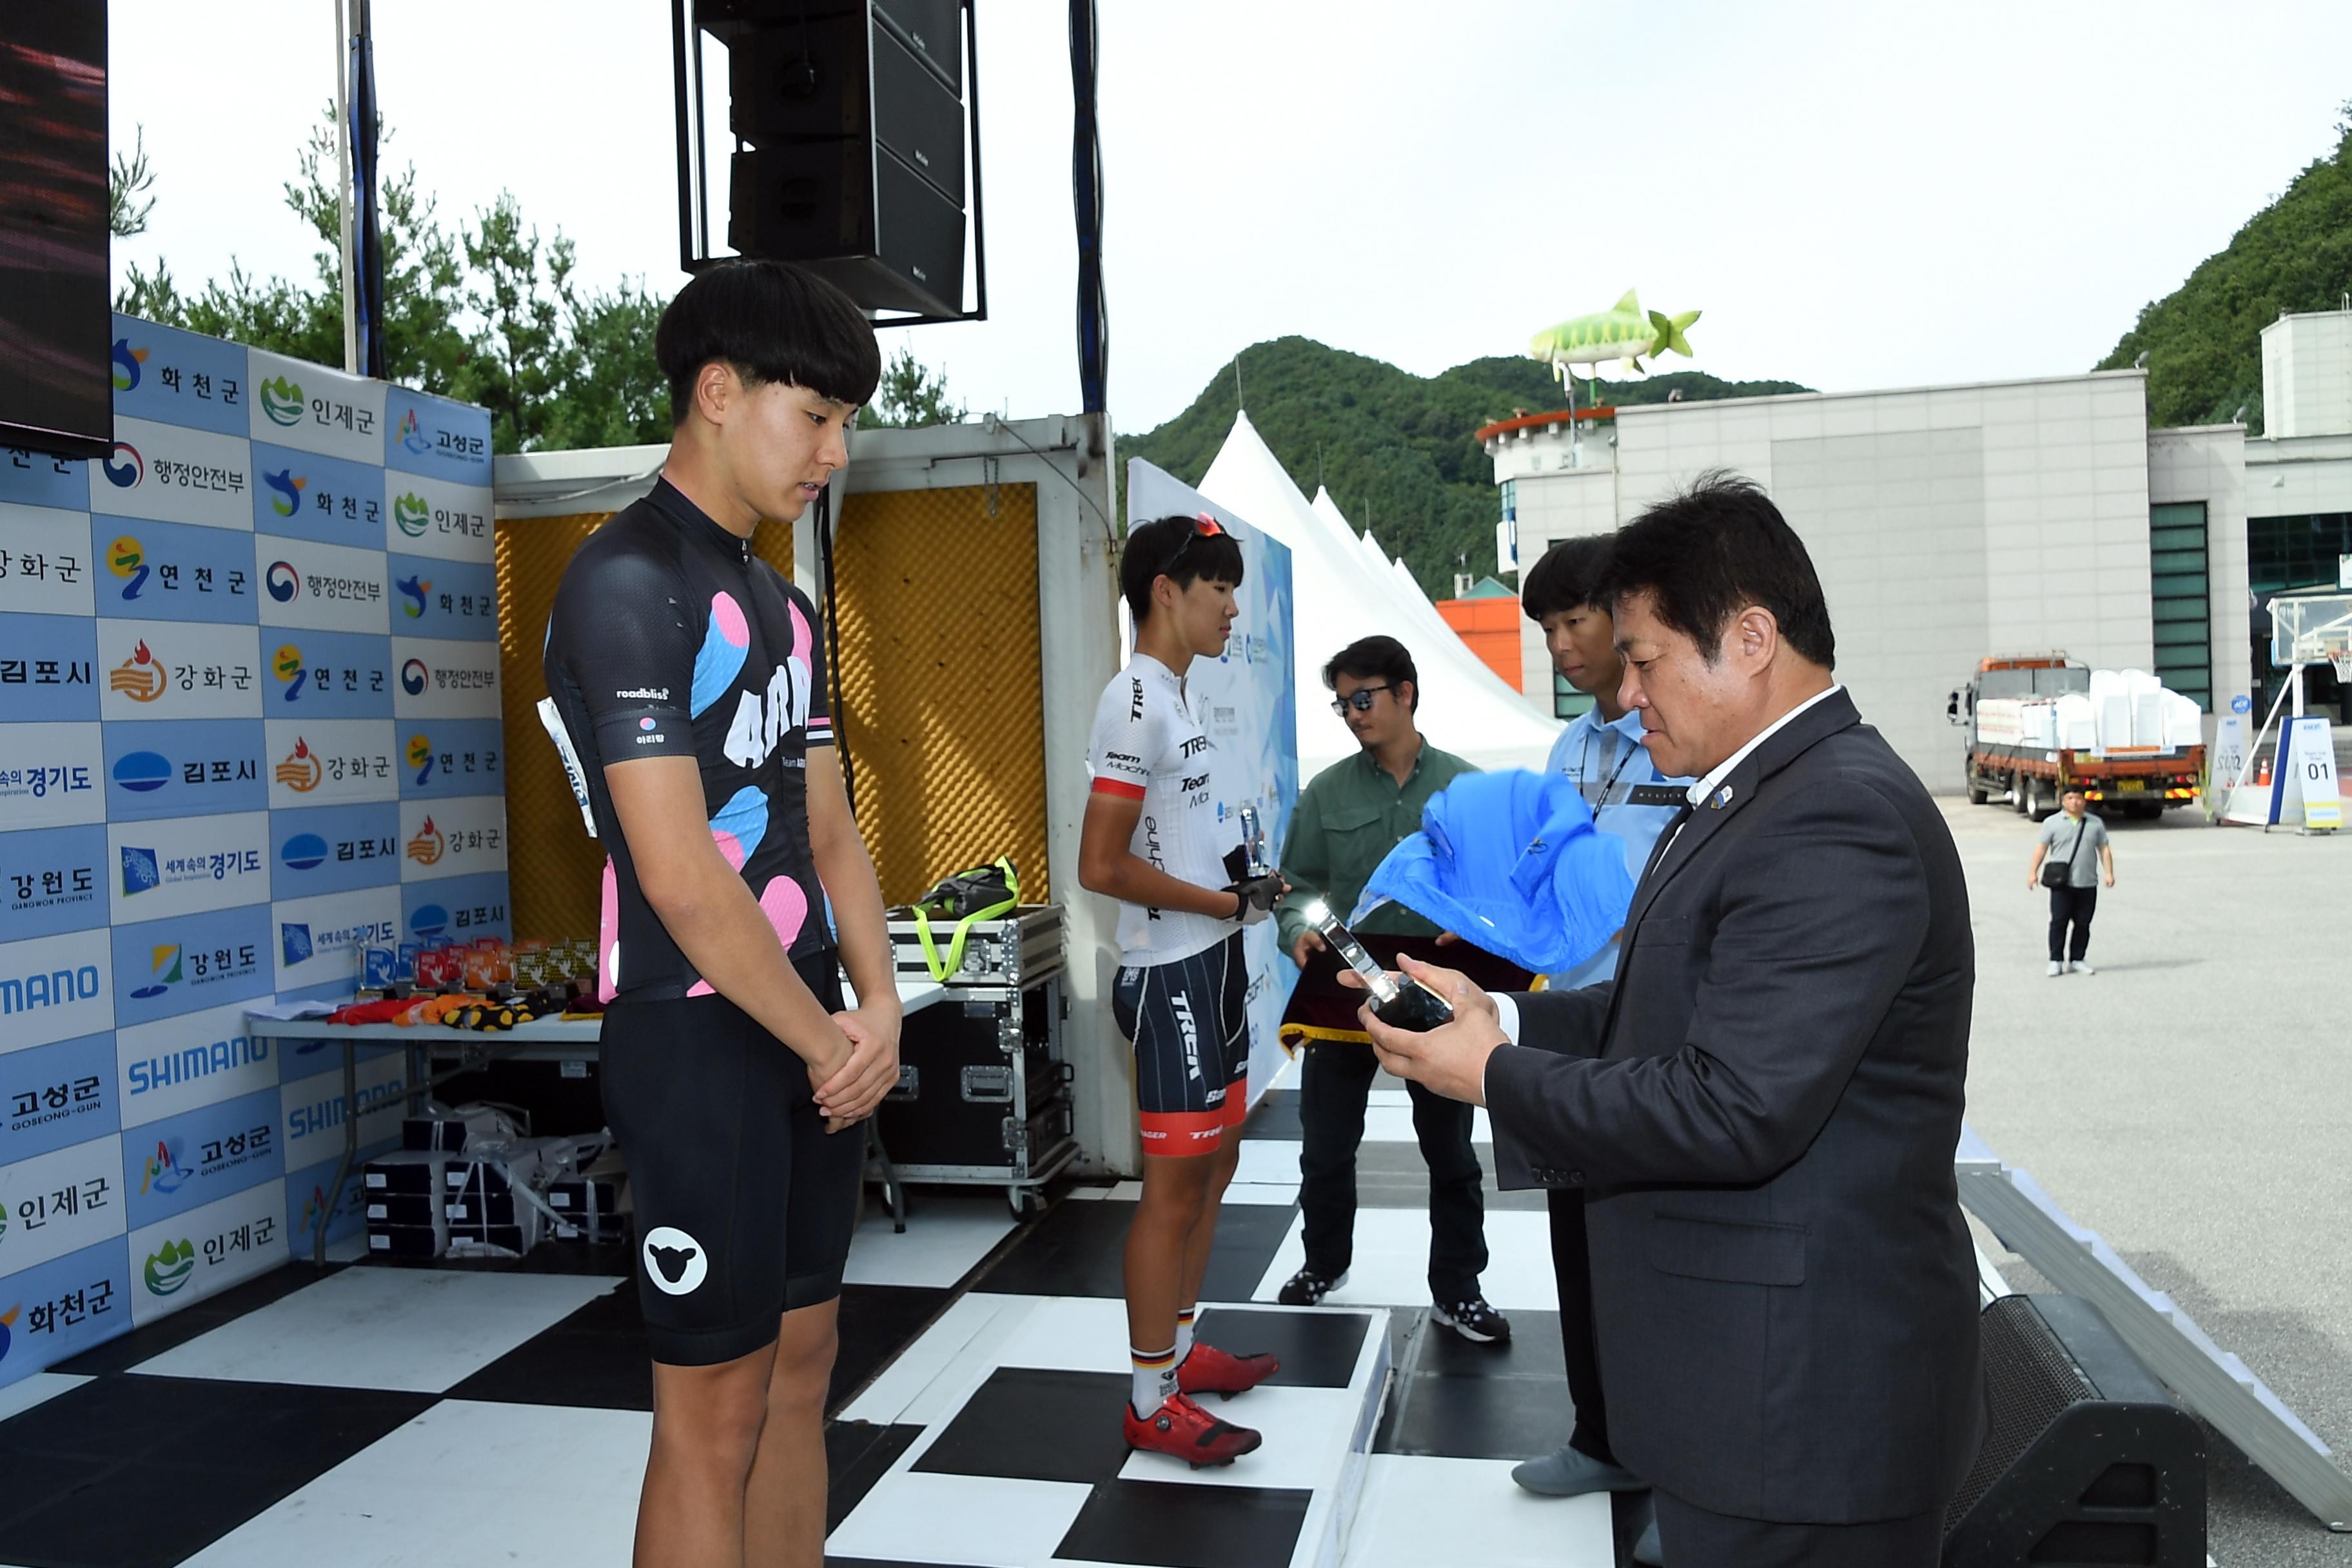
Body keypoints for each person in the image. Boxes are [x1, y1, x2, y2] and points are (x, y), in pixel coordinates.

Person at [1361, 473, 1982, 1567]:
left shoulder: (1833, 818)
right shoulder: (1757, 794)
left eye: (1643, 657)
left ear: (1748, 639)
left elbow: (1732, 1104)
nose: (1626, 689)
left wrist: (1492, 1071)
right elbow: (1664, 1010)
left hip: (1800, 1409)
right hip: (1745, 1393)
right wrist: (1499, 1010)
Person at [540, 260, 902, 1567]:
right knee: (711, 1407)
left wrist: (881, 1006)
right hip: (698, 1039)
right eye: (815, 416)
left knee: (805, 1365)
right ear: (716, 392)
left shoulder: (784, 604)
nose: (835, 450)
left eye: (845, 422)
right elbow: (684, 877)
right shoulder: (625, 582)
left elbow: (833, 829)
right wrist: (827, 1040)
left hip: (812, 1031)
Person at [1078, 513, 1286, 1467]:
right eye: (1219, 589)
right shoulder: (1134, 701)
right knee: (1170, 1196)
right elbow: (1102, 865)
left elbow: (1189, 832)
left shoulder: (1182, 695)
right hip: (1168, 977)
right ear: (1168, 589)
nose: (1234, 608)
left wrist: (1243, 886)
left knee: (1219, 1168)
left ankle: (1181, 1349)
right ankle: (1146, 1396)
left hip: (1215, 964)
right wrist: (1214, 901)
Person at [1507, 538, 1689, 1549]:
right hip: (1571, 1032)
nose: (1560, 645)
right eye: (1546, 630)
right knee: (1576, 1247)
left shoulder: (1683, 738)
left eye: (1573, 621)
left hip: (1662, 1037)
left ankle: (1681, 1478)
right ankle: (1600, 1434)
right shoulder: (1569, 749)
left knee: (1662, 1256)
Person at [1270, 636, 1525, 1344]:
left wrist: (1474, 924)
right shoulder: (1327, 792)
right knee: (1325, 1145)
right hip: (1344, 992)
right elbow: (1299, 885)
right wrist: (1298, 927)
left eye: (1364, 698)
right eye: (1342, 703)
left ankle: (1459, 1287)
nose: (1352, 715)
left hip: (1435, 996)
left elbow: (1499, 890)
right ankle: (1324, 1262)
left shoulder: (1467, 791)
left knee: (1449, 1152)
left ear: (1405, 692)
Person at [2028, 788, 2114, 976]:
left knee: (2083, 923)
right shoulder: (2052, 823)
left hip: (2087, 882)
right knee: (2059, 921)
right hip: (2062, 883)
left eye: (2078, 798)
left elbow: (2104, 849)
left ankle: (2078, 959)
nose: (2074, 802)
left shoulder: (2095, 823)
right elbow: (2041, 849)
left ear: (2084, 801)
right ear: (2063, 801)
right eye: (2070, 798)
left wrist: (2109, 873)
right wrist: (2033, 872)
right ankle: (2055, 960)